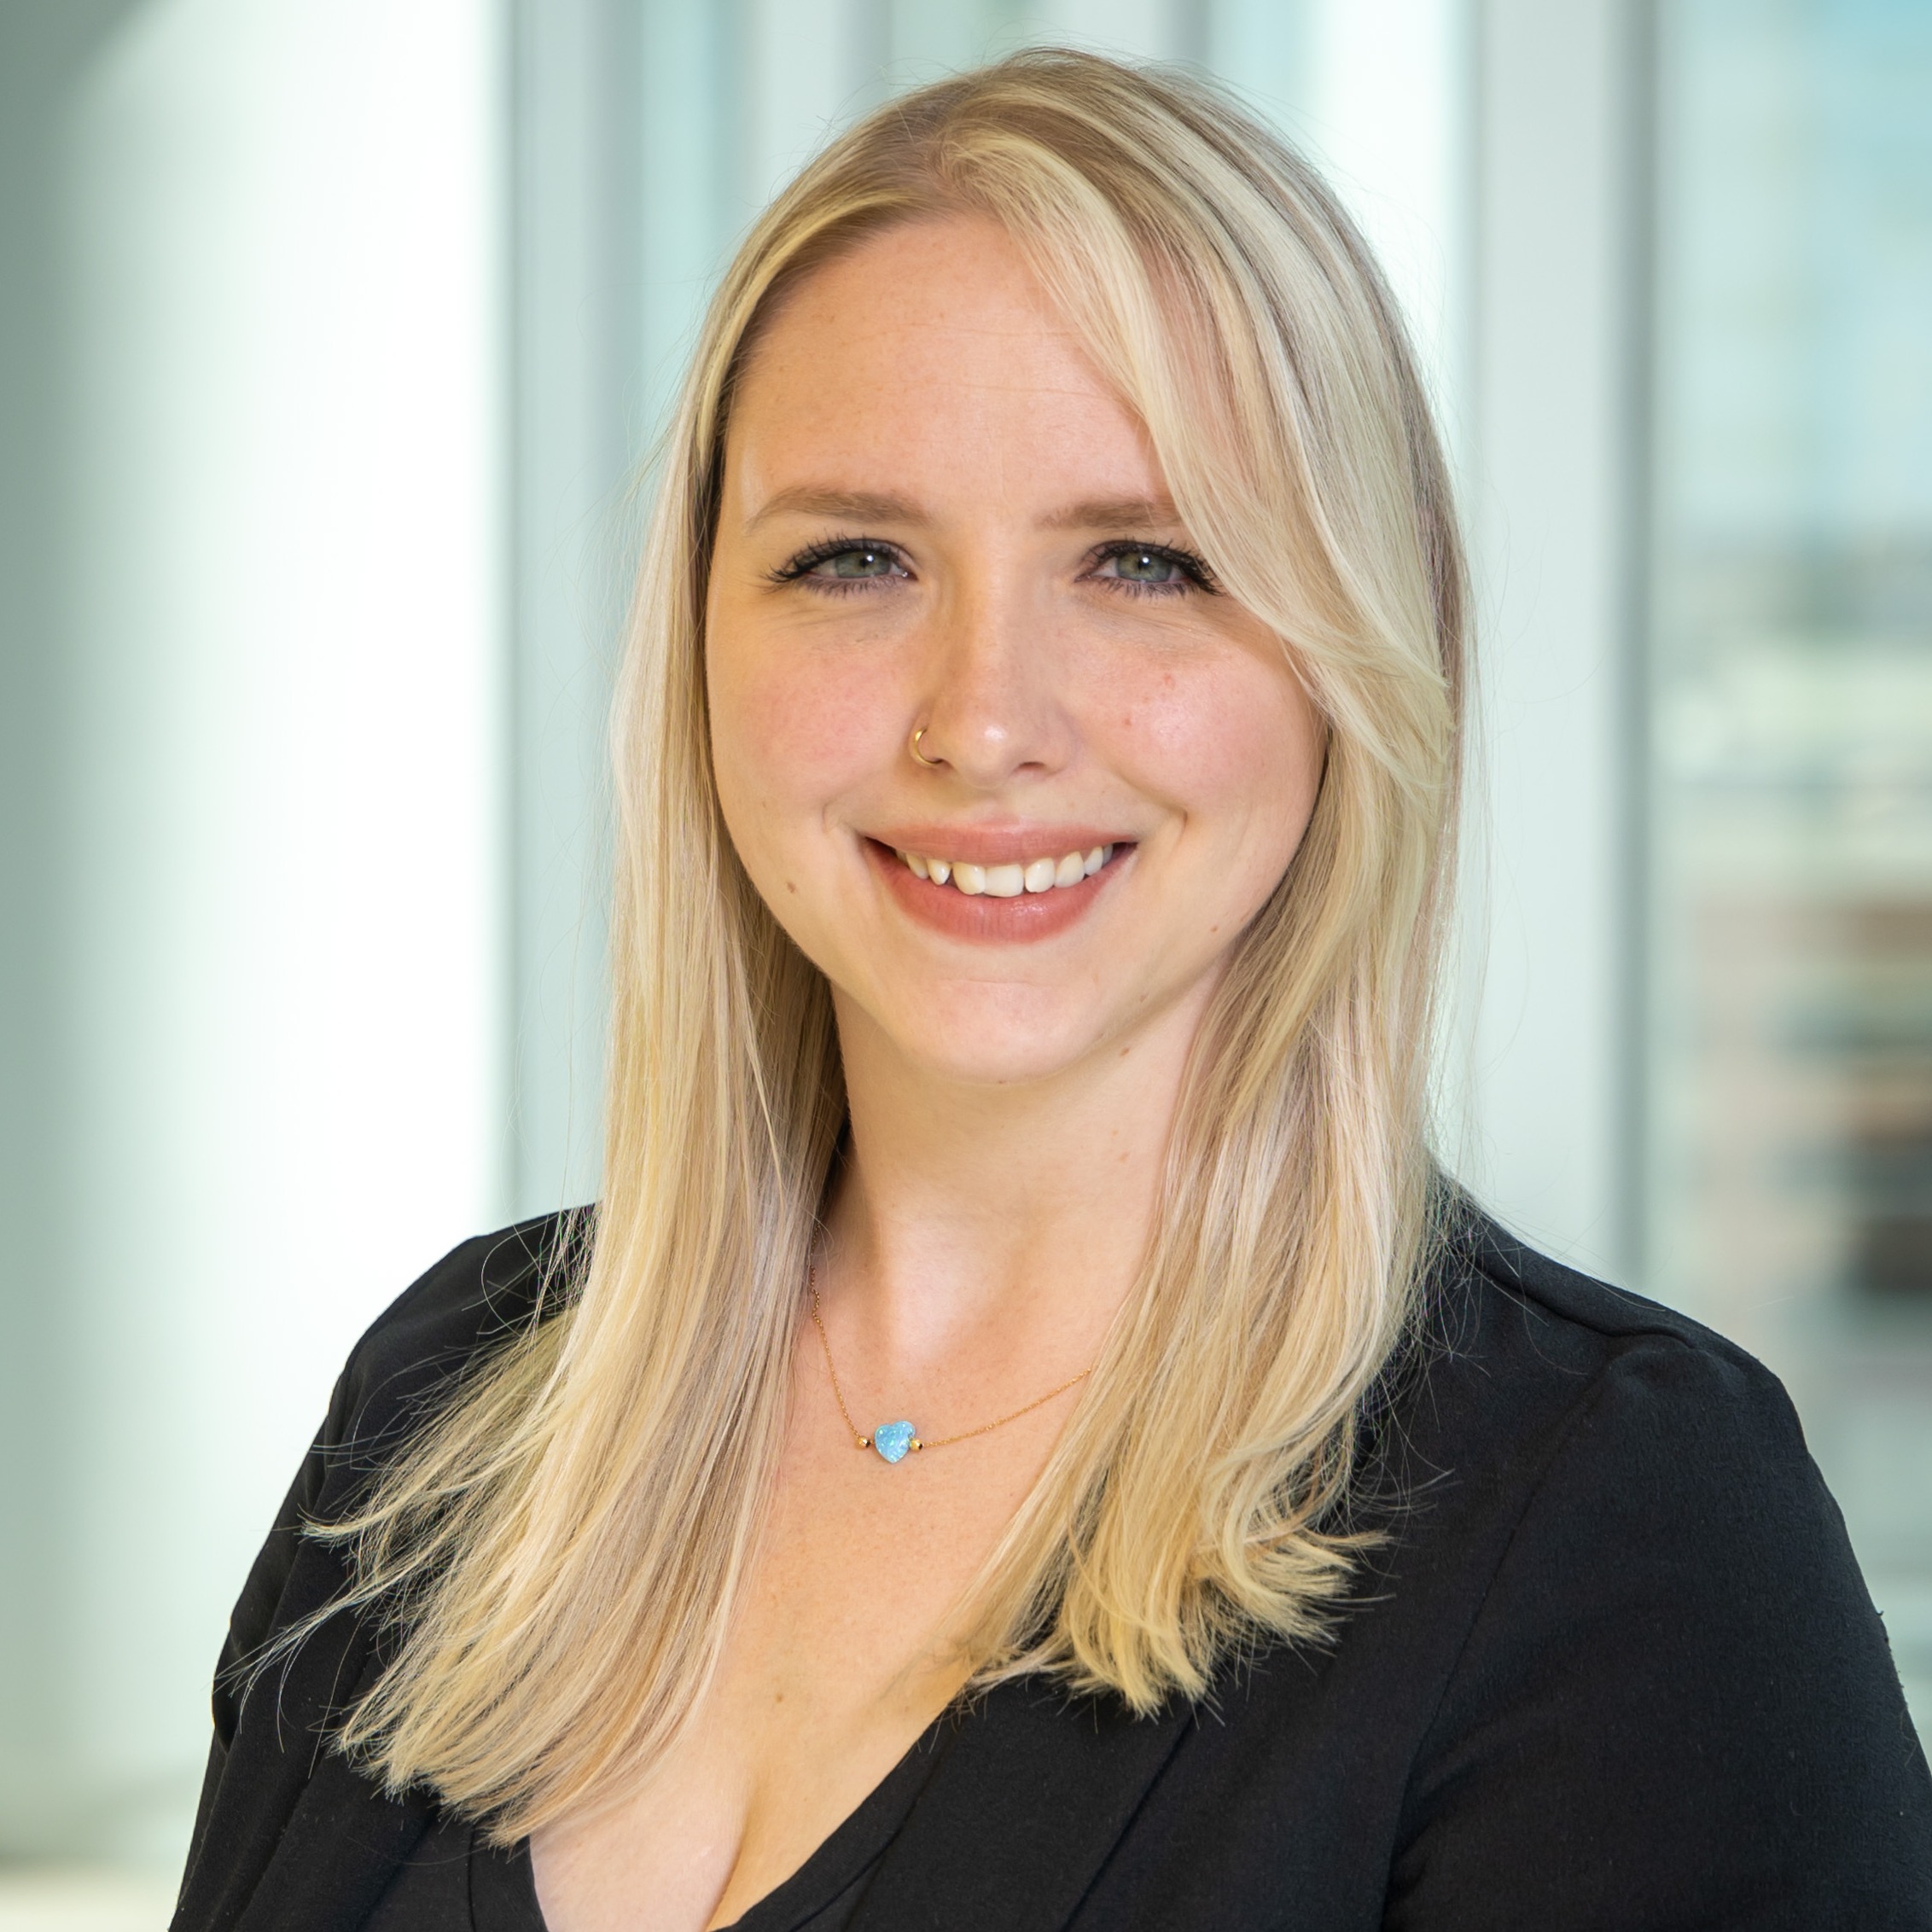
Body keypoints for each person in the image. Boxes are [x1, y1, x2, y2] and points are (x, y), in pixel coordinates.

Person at [172, 49, 1931, 1932]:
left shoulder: (1628, 1528)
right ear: (697, 642)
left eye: (1146, 562)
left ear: (1352, 652)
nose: (984, 719)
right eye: (852, 559)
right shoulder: (458, 1402)